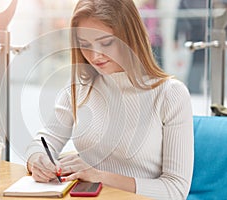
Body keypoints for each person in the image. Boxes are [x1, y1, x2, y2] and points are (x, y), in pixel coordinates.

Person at [25, 0, 194, 200]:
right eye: (85, 45)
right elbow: (42, 142)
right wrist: (37, 160)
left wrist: (99, 177)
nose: (95, 56)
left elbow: (175, 191)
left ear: (130, 37)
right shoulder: (79, 88)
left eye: (106, 43)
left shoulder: (170, 94)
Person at [174, 0, 206, 94]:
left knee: (203, 62)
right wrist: (175, 38)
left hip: (205, 35)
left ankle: (196, 87)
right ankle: (193, 88)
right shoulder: (185, 2)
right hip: (193, 35)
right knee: (195, 62)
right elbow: (179, 17)